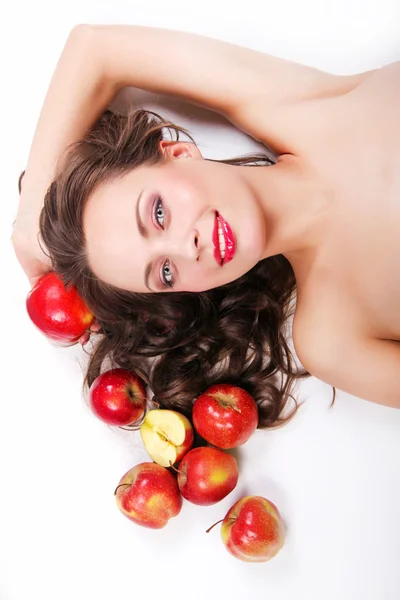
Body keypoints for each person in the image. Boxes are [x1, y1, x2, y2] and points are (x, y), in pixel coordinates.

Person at [12, 25, 400, 425]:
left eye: (158, 213)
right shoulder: (332, 341)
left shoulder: (304, 109)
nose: (186, 248)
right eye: (165, 271)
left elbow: (98, 50)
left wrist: (30, 217)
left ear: (179, 152)